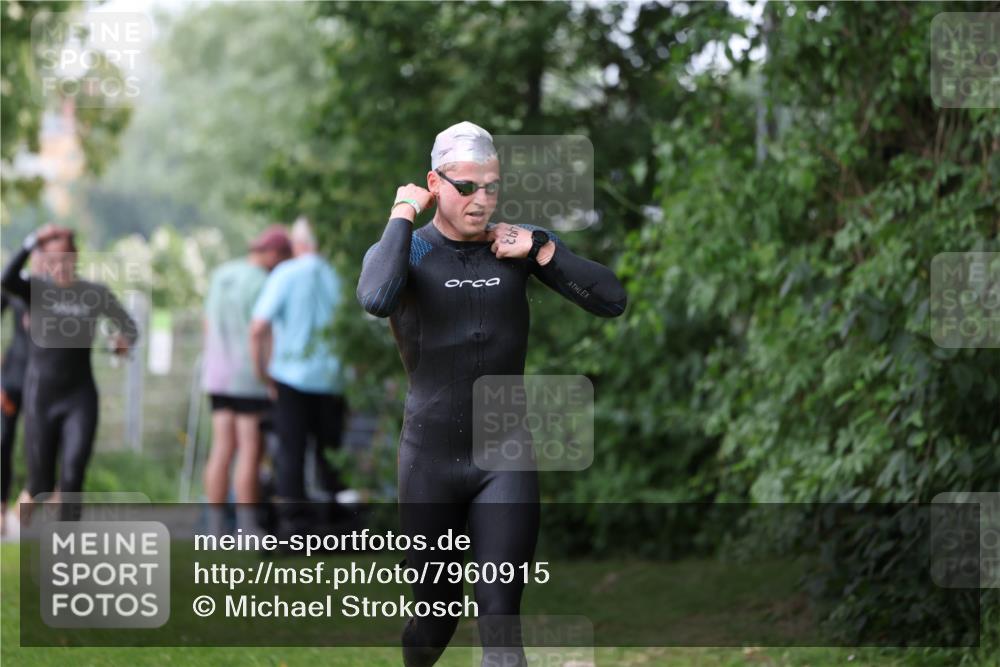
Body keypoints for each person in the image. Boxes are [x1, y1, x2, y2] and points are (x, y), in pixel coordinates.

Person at [356, 121, 627, 667]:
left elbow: (612, 300)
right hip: (430, 460)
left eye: (492, 187)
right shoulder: (409, 248)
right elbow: (376, 297)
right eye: (465, 187)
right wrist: (402, 214)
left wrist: (543, 250)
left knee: (501, 620)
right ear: (435, 183)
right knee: (434, 621)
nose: (481, 201)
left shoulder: (517, 245)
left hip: (505, 455)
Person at [0, 225, 138, 519]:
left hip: (79, 397)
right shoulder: (36, 290)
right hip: (41, 398)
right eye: (52, 259)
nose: (59, 265)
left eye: (64, 257)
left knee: (73, 476)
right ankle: (18, 516)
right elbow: (6, 279)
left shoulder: (94, 293)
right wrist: (32, 240)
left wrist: (122, 341)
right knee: (40, 483)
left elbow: (129, 326)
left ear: (75, 257)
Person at [250, 216, 347, 536]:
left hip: (291, 377)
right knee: (330, 454)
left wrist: (263, 374)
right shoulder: (338, 275)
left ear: (298, 243)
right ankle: (334, 522)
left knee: (290, 453)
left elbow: (258, 327)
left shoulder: (286, 274)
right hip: (333, 379)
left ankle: (294, 524)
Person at [201, 225, 292, 536]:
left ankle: (214, 528)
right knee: (250, 450)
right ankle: (247, 527)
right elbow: (262, 333)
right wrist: (267, 376)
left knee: (221, 449)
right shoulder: (263, 282)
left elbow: (206, 322)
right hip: (248, 377)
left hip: (217, 374)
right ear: (274, 253)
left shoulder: (221, 274)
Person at [0, 290, 30, 535]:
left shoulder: (63, 293)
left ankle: (23, 507)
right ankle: (1, 511)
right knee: (2, 442)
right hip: (11, 382)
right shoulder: (15, 287)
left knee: (41, 447)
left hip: (47, 386)